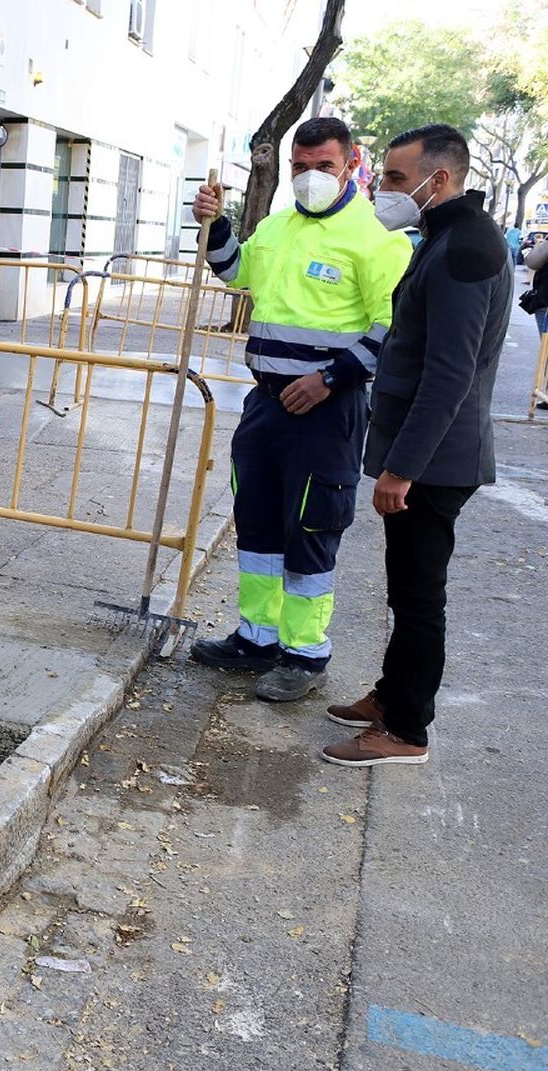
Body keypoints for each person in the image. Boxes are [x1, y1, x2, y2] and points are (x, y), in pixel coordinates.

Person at [187, 118, 413, 701]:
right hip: (266, 404)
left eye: (323, 166)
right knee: (258, 523)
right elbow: (239, 272)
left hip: (327, 411)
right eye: (300, 166)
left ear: (351, 165)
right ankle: (256, 638)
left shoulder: (377, 239)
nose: (309, 177)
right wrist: (215, 226)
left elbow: (393, 327)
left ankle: (304, 653)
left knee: (312, 528)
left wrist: (331, 378)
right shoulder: (279, 226)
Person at [322, 125, 513, 767]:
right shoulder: (448, 236)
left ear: (442, 179)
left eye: (397, 180)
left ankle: (406, 731)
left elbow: (450, 373)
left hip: (434, 461)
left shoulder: (465, 249)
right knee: (406, 590)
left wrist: (402, 467)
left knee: (419, 595)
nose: (384, 190)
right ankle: (391, 695)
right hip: (428, 455)